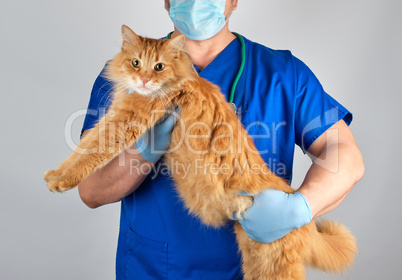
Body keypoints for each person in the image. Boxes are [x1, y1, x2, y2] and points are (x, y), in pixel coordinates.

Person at [78, 0, 364, 279]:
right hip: (154, 267)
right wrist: (144, 149)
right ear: (166, 1)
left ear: (234, 2)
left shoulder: (284, 74)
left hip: (256, 265)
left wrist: (301, 207)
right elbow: (90, 190)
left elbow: (344, 154)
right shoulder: (126, 75)